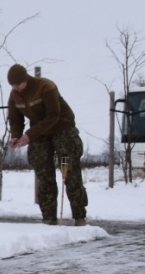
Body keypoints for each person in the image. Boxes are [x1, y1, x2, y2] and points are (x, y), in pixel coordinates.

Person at [6, 64, 87, 225]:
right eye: (13, 86)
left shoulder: (45, 86)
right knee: (44, 174)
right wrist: (16, 136)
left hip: (62, 127)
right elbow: (15, 119)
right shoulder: (14, 95)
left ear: (26, 79)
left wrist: (29, 135)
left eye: (19, 84)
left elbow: (53, 115)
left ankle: (79, 217)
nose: (16, 88)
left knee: (70, 173)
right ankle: (49, 218)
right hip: (39, 132)